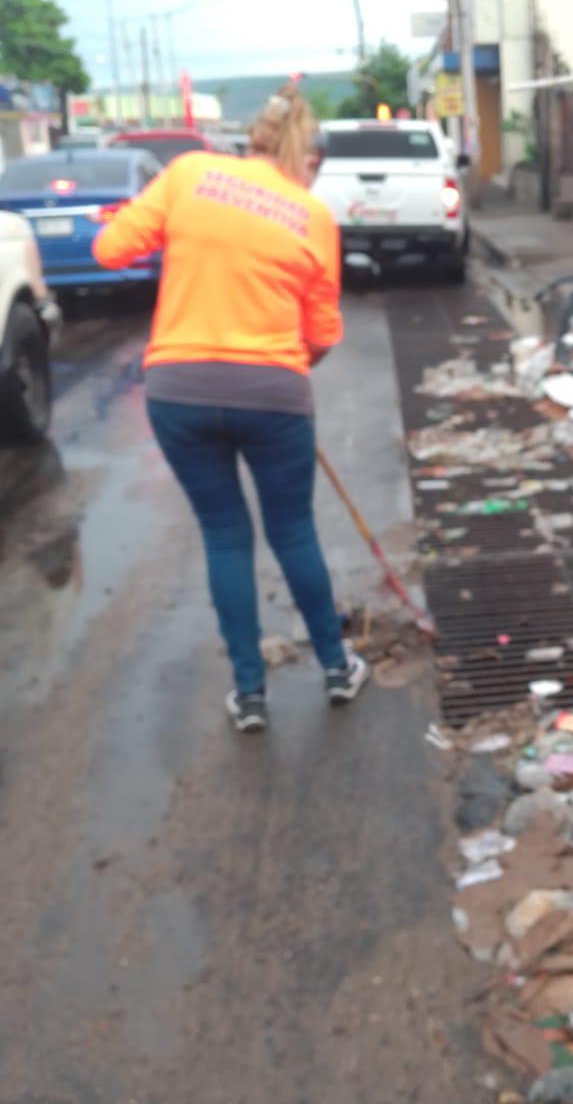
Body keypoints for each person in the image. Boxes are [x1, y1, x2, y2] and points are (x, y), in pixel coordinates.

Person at [94, 85, 369, 733]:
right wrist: (287, 370)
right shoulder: (311, 214)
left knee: (225, 534)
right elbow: (324, 332)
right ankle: (336, 666)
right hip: (272, 392)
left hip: (178, 389)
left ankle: (249, 694)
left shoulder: (189, 173)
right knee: (293, 530)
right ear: (308, 157)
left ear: (250, 140)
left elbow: (110, 250)